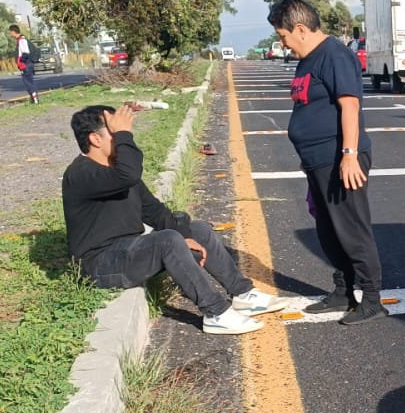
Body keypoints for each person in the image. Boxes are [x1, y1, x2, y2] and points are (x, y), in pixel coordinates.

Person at [62, 104, 285, 335]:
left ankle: (243, 294)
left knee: (197, 230)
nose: (123, 138)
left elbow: (154, 212)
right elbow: (129, 173)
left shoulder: (118, 173)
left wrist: (186, 236)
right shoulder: (81, 174)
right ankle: (216, 313)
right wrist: (124, 133)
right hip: (100, 264)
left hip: (128, 251)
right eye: (115, 133)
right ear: (95, 139)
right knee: (167, 240)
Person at [268, 0, 385, 325]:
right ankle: (342, 291)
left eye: (284, 37)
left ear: (301, 29)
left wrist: (349, 155)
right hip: (317, 161)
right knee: (329, 231)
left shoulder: (334, 54)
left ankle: (372, 298)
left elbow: (350, 106)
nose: (285, 45)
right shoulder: (308, 58)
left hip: (339, 158)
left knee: (351, 229)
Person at [9, 24, 38, 104]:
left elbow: (25, 52)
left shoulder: (22, 40)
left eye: (10, 32)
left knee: (28, 82)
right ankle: (33, 98)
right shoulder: (19, 40)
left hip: (26, 64)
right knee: (27, 82)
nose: (10, 34)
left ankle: (35, 99)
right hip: (25, 64)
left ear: (13, 31)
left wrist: (21, 60)